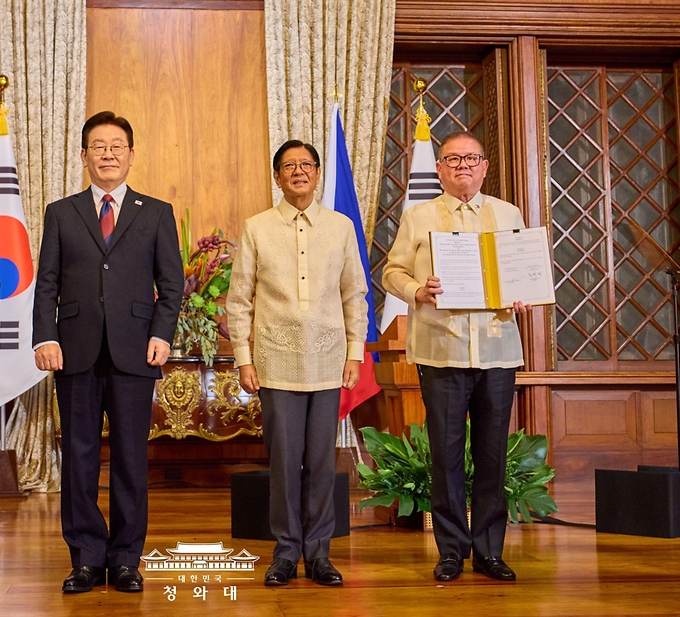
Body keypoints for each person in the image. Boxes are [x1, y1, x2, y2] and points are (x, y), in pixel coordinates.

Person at [33, 111, 183, 594]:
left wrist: (162, 334)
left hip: (136, 351)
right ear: (83, 156)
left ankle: (124, 559)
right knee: (77, 457)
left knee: (129, 458)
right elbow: (47, 284)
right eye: (98, 146)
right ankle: (85, 558)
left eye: (117, 146)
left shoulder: (156, 212)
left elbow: (172, 284)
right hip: (73, 351)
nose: (108, 154)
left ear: (131, 155)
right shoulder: (62, 211)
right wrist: (44, 336)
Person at [382, 130, 531, 583]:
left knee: (491, 453)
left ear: (485, 166)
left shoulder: (507, 213)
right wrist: (416, 290)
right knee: (444, 456)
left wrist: (522, 294)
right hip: (441, 349)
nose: (463, 166)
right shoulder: (419, 215)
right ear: (440, 169)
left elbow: (522, 271)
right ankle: (450, 551)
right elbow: (391, 272)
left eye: (471, 159)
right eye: (453, 159)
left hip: (497, 349)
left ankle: (489, 550)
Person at [226, 140, 368, 587]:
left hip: (328, 361)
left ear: (319, 172)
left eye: (306, 164)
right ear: (277, 177)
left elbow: (354, 295)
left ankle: (319, 554)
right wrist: (244, 359)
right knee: (285, 462)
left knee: (322, 461)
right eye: (289, 166)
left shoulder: (341, 227)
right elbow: (238, 302)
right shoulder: (257, 228)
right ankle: (286, 553)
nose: (298, 172)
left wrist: (354, 353)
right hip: (275, 362)